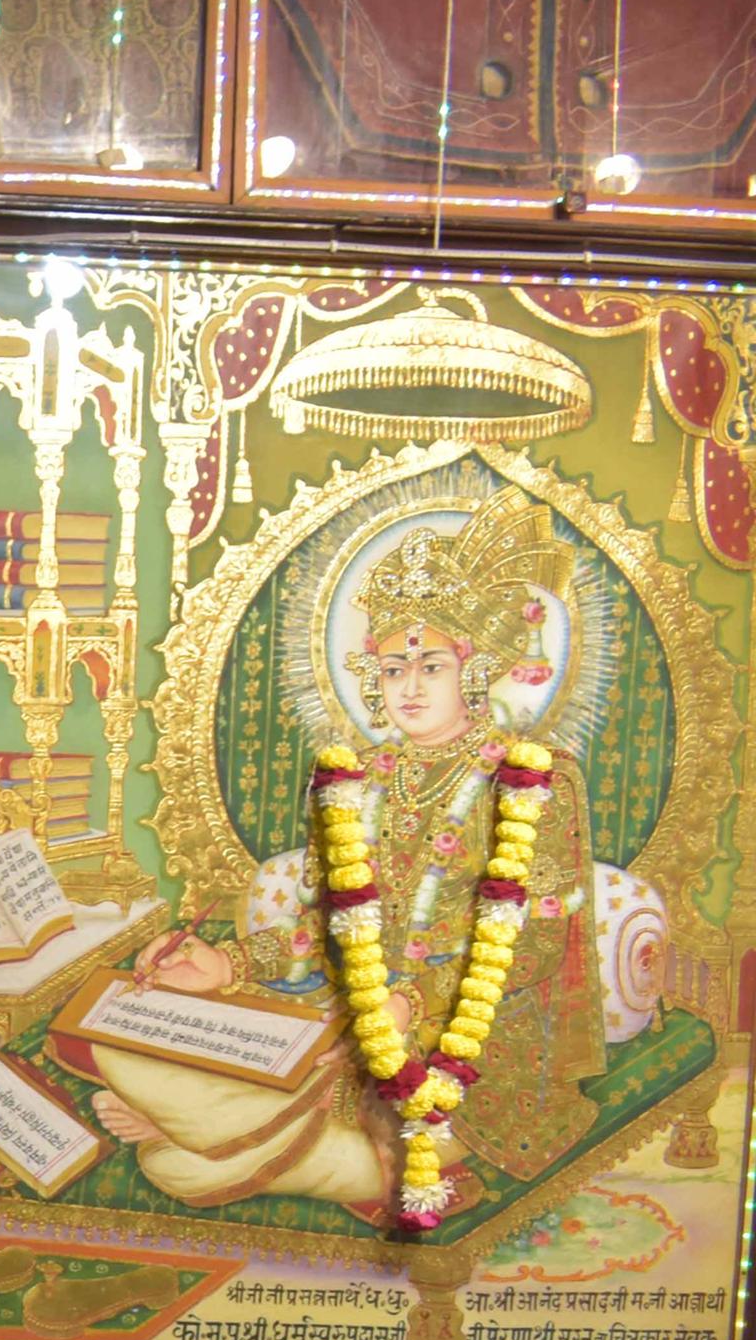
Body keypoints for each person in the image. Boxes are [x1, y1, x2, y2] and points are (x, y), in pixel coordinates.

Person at [72, 500, 605, 1218]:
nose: (409, 687)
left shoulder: (531, 779)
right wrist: (229, 964)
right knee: (134, 1033)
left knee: (178, 1170)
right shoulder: (357, 779)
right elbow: (324, 929)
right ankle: (234, 1127)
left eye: (431, 666)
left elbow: (534, 948)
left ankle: (213, 1130)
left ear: (474, 670)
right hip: (343, 1013)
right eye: (392, 668)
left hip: (477, 1044)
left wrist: (410, 1006)